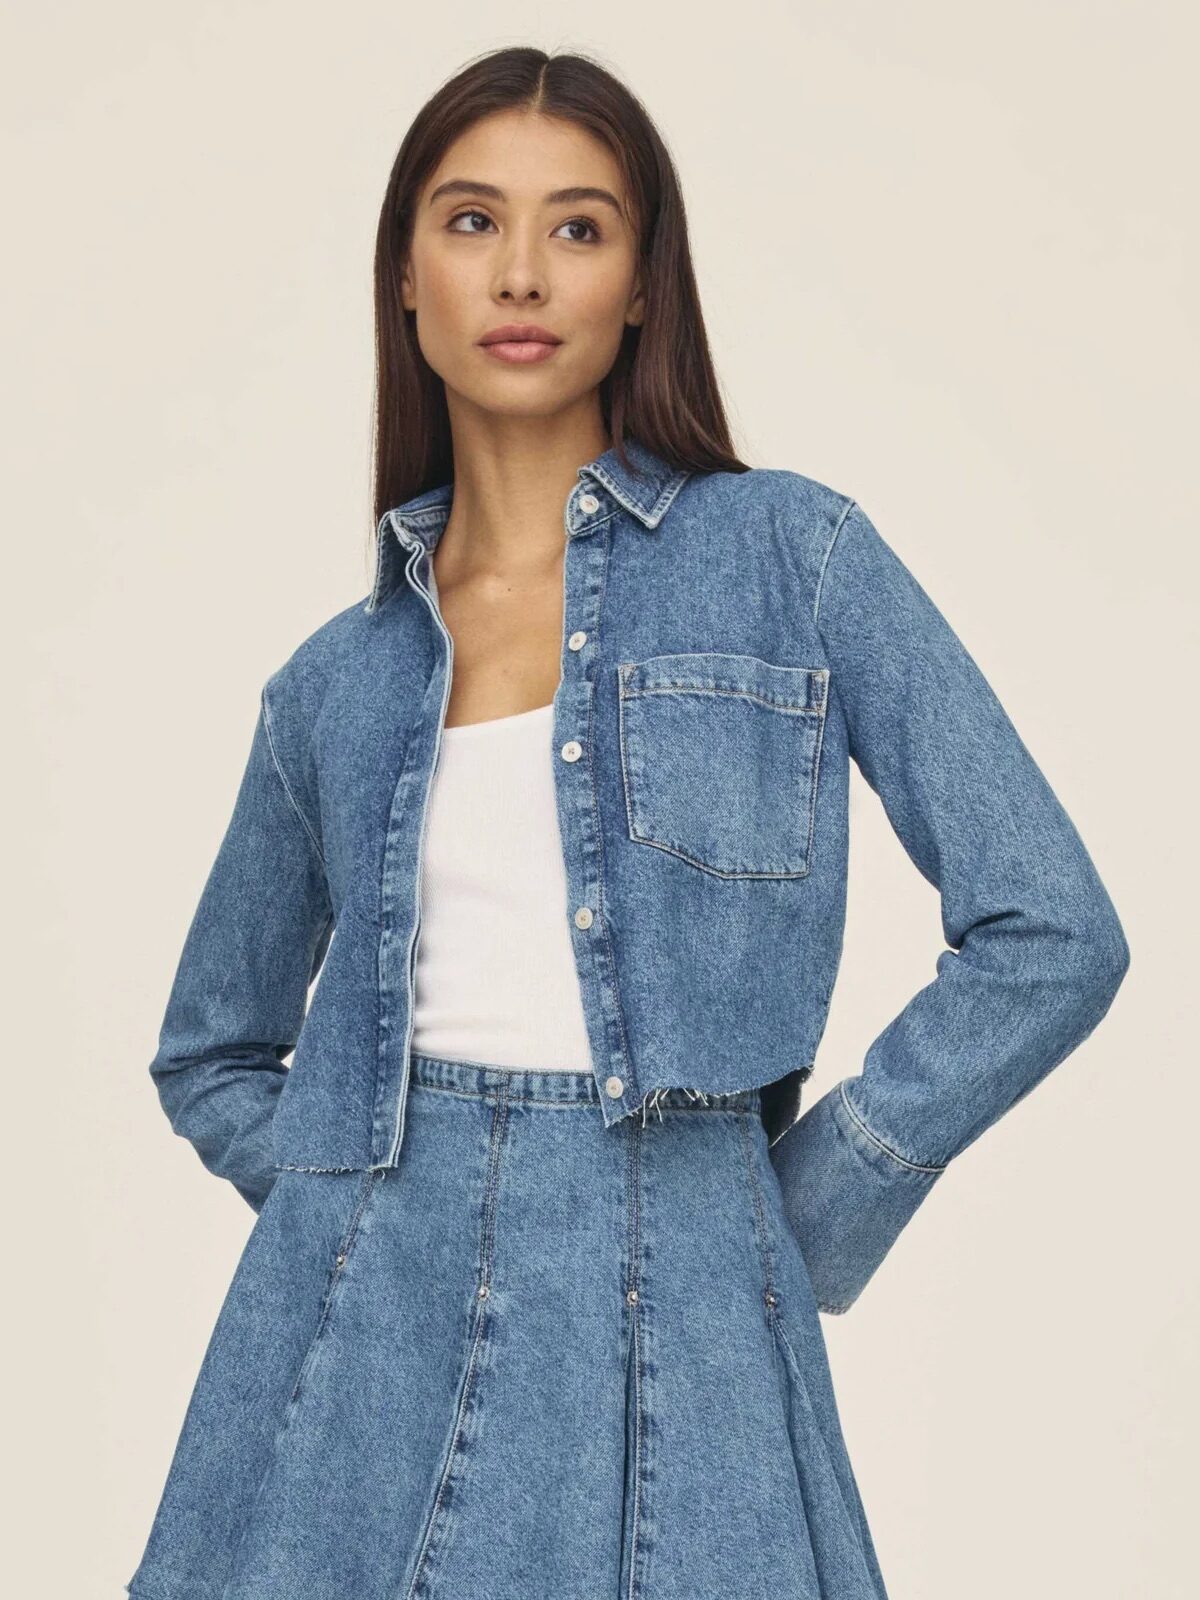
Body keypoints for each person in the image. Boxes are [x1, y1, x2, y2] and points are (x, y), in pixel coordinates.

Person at [124, 45, 1129, 1600]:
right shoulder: (333, 683)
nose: (521, 271)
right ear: (404, 271)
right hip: (352, 1355)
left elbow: (1051, 929)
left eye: (579, 228)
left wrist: (804, 1201)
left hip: (690, 1310)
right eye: (471, 222)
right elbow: (211, 1049)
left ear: (645, 282)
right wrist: (359, 1200)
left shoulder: (793, 554)